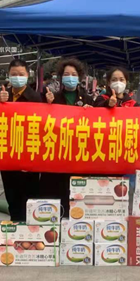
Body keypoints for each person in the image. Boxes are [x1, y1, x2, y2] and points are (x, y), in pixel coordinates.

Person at [43, 58, 93, 215]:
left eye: (73, 74)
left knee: (77, 197)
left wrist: (91, 113)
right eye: (66, 74)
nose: (70, 77)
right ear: (60, 77)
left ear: (79, 77)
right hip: (57, 156)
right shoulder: (53, 97)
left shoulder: (87, 99)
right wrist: (47, 105)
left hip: (79, 156)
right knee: (57, 194)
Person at [0, 58, 42, 222]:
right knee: (11, 195)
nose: (17, 77)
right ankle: (14, 226)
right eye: (14, 74)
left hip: (28, 153)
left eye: (21, 74)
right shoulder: (3, 95)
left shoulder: (36, 97)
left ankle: (29, 228)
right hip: (7, 154)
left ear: (28, 75)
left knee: (29, 195)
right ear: (9, 75)